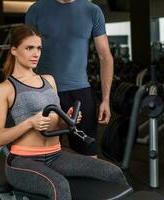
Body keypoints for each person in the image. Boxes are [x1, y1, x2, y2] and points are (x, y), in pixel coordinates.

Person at [0, 24, 128, 200]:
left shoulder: (49, 80)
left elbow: (57, 122)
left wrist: (68, 119)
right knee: (59, 187)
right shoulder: (5, 89)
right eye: (29, 48)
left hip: (56, 156)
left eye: (39, 48)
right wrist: (30, 123)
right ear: (14, 50)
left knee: (112, 172)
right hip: (23, 161)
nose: (36, 54)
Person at [25, 0, 114, 157]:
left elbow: (105, 57)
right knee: (43, 157)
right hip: (43, 92)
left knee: (89, 158)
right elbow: (25, 54)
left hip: (80, 94)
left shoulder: (92, 11)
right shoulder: (36, 10)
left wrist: (106, 99)